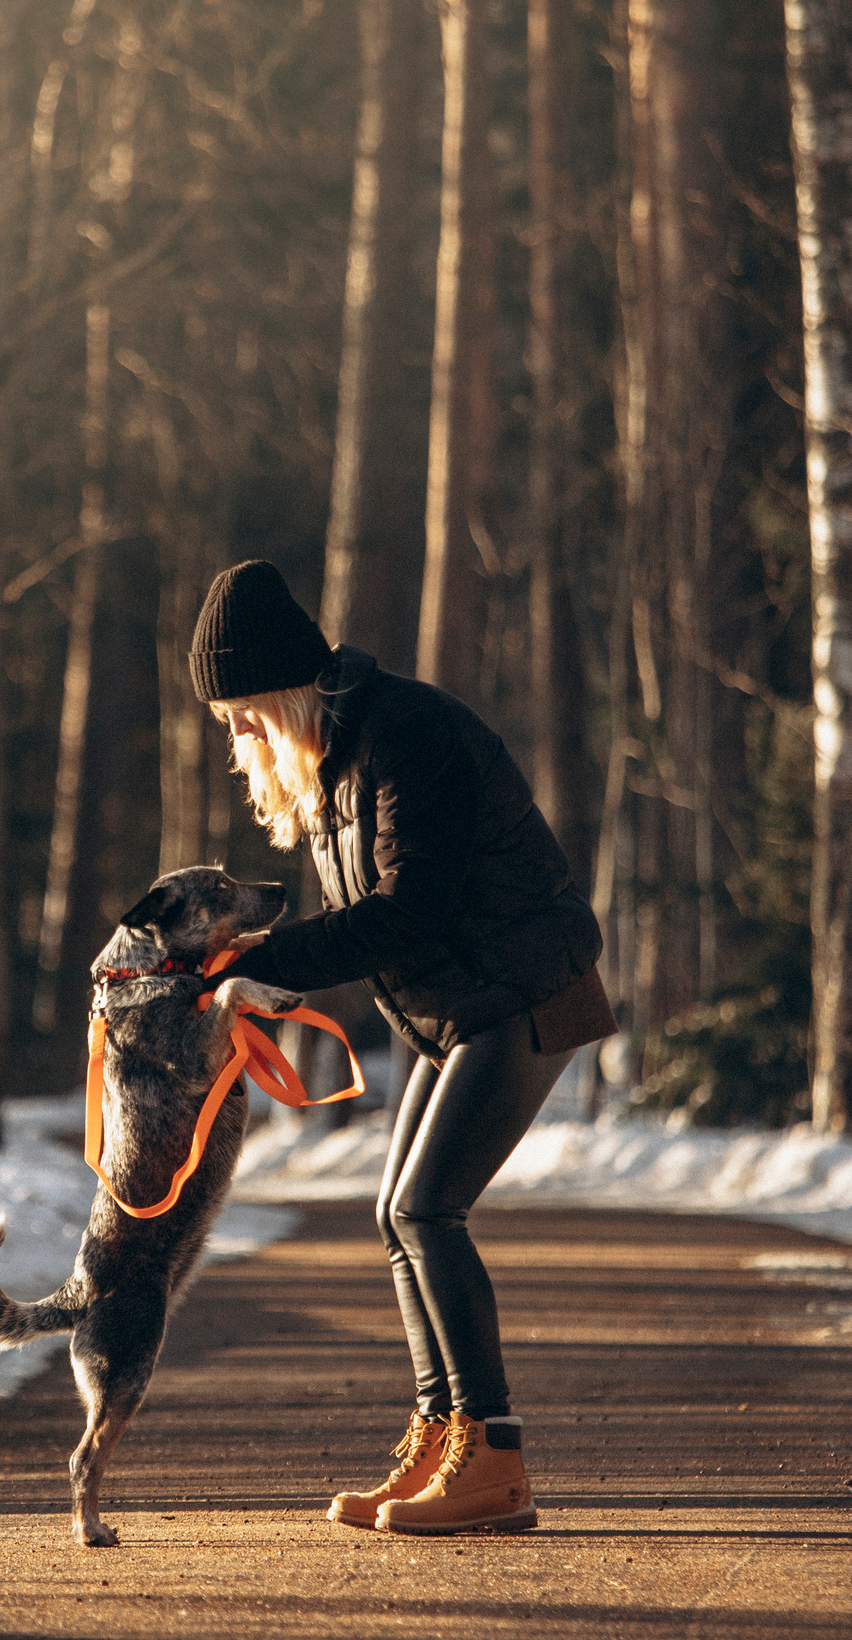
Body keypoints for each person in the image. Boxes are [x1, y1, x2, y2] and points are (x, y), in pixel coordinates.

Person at [189, 559, 614, 1537]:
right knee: (394, 1214)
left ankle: (493, 1457)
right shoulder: (333, 763)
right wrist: (243, 965)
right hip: (454, 1008)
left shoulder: (404, 733)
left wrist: (259, 959)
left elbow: (406, 911)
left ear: (284, 690)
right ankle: (439, 1434)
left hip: (528, 989)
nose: (238, 737)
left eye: (244, 715)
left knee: (428, 1207)